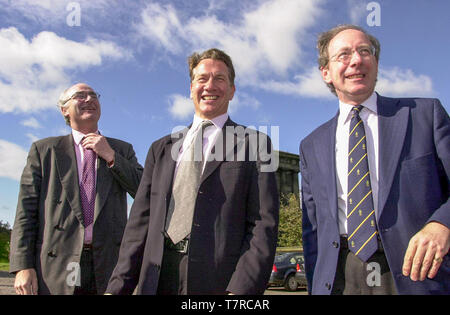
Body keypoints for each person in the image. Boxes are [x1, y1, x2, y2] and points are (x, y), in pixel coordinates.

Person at [105, 48, 279, 295]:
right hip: (156, 278)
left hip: (218, 281)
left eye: (220, 78)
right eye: (202, 78)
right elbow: (139, 222)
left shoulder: (257, 143)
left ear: (232, 91)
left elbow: (263, 225)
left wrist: (240, 292)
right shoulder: (160, 148)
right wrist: (117, 287)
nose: (210, 85)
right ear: (191, 89)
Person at [299, 24, 449, 295]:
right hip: (340, 277)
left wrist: (442, 225)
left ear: (376, 63)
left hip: (415, 273)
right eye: (343, 55)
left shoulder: (425, 114)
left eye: (364, 51)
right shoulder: (311, 145)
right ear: (326, 73)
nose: (356, 60)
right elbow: (313, 231)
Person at [10, 83, 143, 295]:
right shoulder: (44, 150)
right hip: (57, 264)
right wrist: (22, 266)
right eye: (80, 96)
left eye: (93, 95)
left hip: (107, 263)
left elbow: (144, 191)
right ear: (64, 109)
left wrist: (111, 157)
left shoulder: (121, 149)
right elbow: (25, 212)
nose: (89, 99)